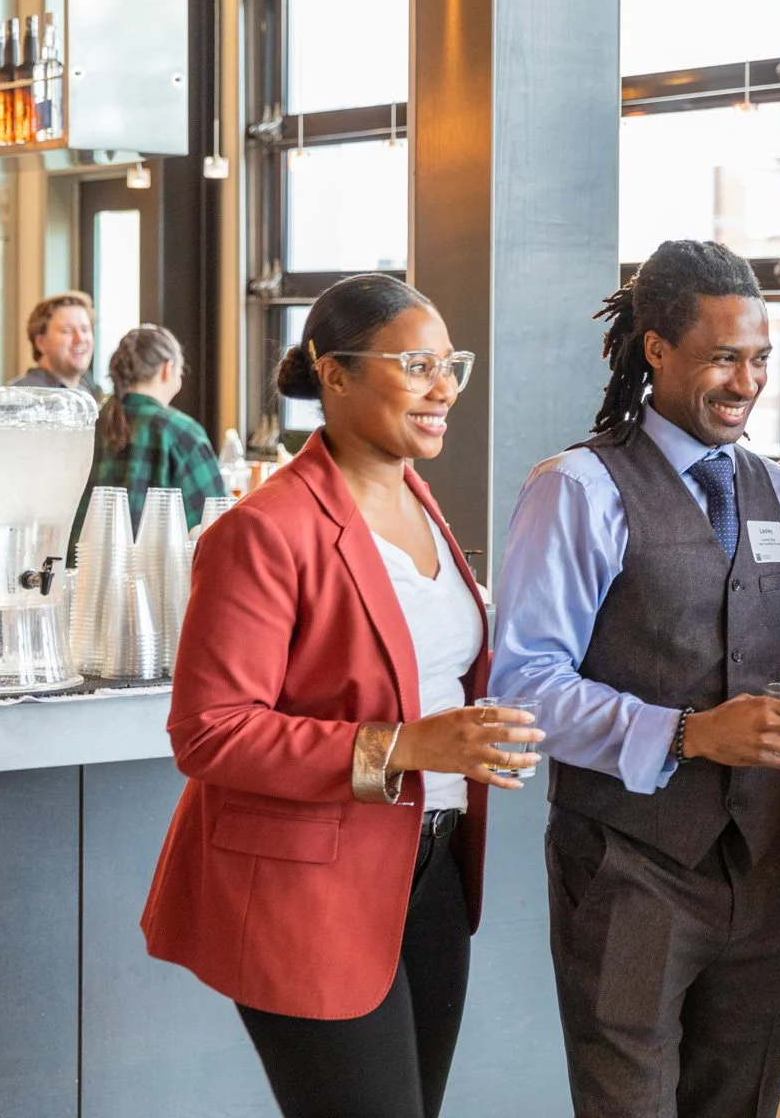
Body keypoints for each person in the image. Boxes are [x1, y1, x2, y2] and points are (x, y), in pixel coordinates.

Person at [141, 273, 539, 1118]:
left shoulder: (421, 503)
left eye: (452, 363)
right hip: (311, 886)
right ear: (337, 374)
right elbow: (210, 733)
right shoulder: (262, 531)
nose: (446, 389)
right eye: (419, 364)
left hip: (432, 866)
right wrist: (405, 746)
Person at [490, 239, 780, 1118]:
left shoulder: (774, 487)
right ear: (656, 350)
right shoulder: (577, 487)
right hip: (628, 869)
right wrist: (686, 732)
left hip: (768, 869)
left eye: (758, 359)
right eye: (722, 357)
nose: (746, 382)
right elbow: (523, 685)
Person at [68, 324, 223, 545]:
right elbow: (216, 522)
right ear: (167, 369)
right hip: (151, 575)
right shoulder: (181, 433)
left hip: (78, 571)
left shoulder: (88, 425)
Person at [10, 290, 102, 399]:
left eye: (85, 329)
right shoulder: (20, 397)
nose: (80, 338)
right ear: (41, 343)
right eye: (67, 330)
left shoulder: (84, 393)